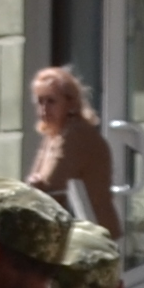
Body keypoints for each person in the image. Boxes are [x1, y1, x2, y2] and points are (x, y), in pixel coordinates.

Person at [26, 65, 121, 234]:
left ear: (70, 102)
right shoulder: (54, 133)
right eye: (40, 101)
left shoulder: (75, 133)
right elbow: (34, 183)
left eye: (51, 101)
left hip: (93, 232)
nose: (44, 109)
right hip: (74, 228)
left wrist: (36, 185)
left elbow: (51, 184)